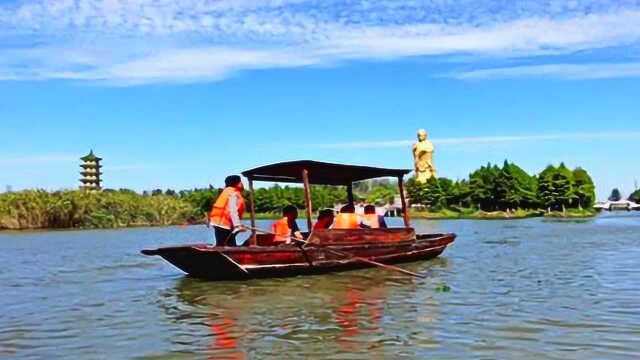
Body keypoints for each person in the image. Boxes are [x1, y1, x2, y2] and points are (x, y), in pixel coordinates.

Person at [209, 175, 246, 246]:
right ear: (238, 183)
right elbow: (232, 210)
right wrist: (237, 225)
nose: (242, 184)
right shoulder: (233, 194)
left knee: (223, 244)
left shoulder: (226, 191)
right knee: (228, 245)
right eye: (241, 182)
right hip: (224, 224)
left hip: (218, 223)